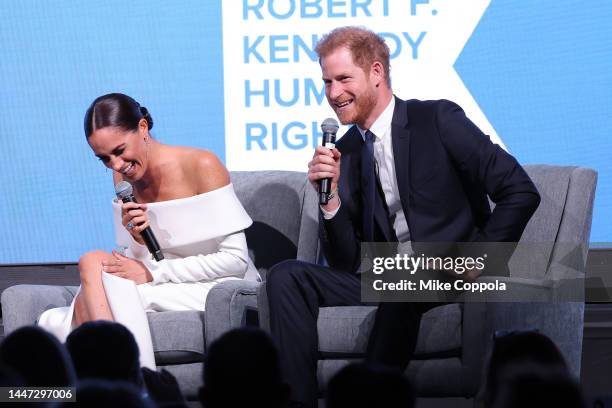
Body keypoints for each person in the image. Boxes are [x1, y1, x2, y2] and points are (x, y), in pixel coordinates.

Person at [265, 26, 541, 407]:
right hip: (386, 276)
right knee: (286, 276)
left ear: (376, 72)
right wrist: (329, 201)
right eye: (326, 81)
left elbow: (520, 190)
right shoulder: (348, 151)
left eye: (344, 79)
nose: (333, 94)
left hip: (449, 271)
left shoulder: (437, 120)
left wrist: (483, 254)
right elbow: (347, 262)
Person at [39, 93, 258, 368]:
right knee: (92, 261)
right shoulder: (122, 178)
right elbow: (147, 259)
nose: (116, 166)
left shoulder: (201, 165)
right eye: (104, 159)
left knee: (104, 299)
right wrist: (138, 240)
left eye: (119, 151)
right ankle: (120, 380)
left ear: (143, 128)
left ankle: (126, 380)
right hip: (163, 279)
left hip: (219, 284)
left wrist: (153, 272)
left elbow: (235, 262)